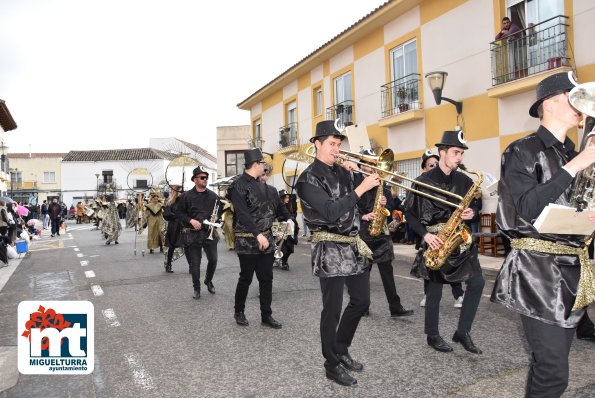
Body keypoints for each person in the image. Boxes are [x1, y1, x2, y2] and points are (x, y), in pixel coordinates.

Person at [491, 72, 595, 397]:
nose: (581, 106)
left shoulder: (571, 154)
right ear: (548, 102)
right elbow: (526, 207)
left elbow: (576, 208)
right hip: (536, 271)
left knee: (548, 366)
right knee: (553, 373)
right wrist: (577, 165)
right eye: (572, 96)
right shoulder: (520, 151)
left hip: (572, 269)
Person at [295, 120, 380, 387]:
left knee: (361, 301)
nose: (337, 149)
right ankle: (331, 364)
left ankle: (341, 348)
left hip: (352, 245)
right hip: (329, 247)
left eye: (338, 144)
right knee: (331, 310)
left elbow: (361, 203)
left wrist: (362, 179)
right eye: (332, 144)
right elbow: (331, 211)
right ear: (317, 144)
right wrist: (360, 187)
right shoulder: (306, 179)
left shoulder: (344, 173)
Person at [404, 131, 485, 355]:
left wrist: (473, 213)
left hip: (461, 241)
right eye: (455, 152)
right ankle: (432, 335)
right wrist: (425, 235)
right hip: (436, 240)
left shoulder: (465, 180)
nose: (459, 157)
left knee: (477, 283)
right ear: (442, 153)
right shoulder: (422, 181)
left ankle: (463, 332)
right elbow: (409, 214)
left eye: (461, 153)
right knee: (434, 291)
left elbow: (477, 208)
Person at [229, 148, 290, 329]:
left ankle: (266, 315)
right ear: (256, 164)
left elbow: (280, 210)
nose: (265, 166)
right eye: (263, 163)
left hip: (267, 241)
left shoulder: (269, 189)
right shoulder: (238, 185)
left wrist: (289, 220)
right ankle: (239, 311)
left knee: (266, 278)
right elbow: (243, 214)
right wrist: (257, 235)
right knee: (246, 277)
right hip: (247, 240)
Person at [354, 150, 413, 319]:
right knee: (363, 271)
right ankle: (362, 306)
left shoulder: (382, 182)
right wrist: (362, 216)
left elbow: (392, 205)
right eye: (369, 165)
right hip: (364, 232)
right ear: (361, 166)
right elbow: (348, 206)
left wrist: (385, 202)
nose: (372, 168)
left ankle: (395, 307)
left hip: (381, 233)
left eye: (374, 165)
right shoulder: (355, 182)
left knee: (387, 271)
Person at [416, 151, 465, 309]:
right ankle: (427, 294)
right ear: (424, 168)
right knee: (429, 264)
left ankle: (458, 295)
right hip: (431, 233)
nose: (435, 167)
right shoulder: (421, 184)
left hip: (450, 231)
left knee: (452, 263)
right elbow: (413, 214)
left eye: (437, 164)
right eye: (431, 165)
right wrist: (424, 234)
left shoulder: (451, 183)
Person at [177, 167, 221, 299]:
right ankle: (196, 288)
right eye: (202, 177)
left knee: (213, 260)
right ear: (195, 180)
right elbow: (178, 212)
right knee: (195, 265)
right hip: (193, 234)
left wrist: (216, 217)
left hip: (209, 232)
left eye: (206, 177)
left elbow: (219, 211)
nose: (205, 179)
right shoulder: (186, 196)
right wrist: (191, 220)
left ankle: (208, 280)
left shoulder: (213, 196)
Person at [163, 185, 185, 274]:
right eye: (180, 191)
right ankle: (168, 264)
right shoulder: (171, 202)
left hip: (184, 226)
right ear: (176, 192)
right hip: (174, 226)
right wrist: (176, 216)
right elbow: (166, 215)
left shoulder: (186, 202)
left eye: (183, 191)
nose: (182, 193)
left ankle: (192, 265)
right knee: (172, 246)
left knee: (188, 246)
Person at [276, 189, 298, 270]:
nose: (287, 199)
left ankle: (284, 261)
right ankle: (282, 261)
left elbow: (293, 214)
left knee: (289, 247)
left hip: (290, 228)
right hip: (280, 227)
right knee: (280, 246)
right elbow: (276, 217)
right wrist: (283, 218)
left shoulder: (290, 206)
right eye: (285, 197)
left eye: (288, 197)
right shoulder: (278, 206)